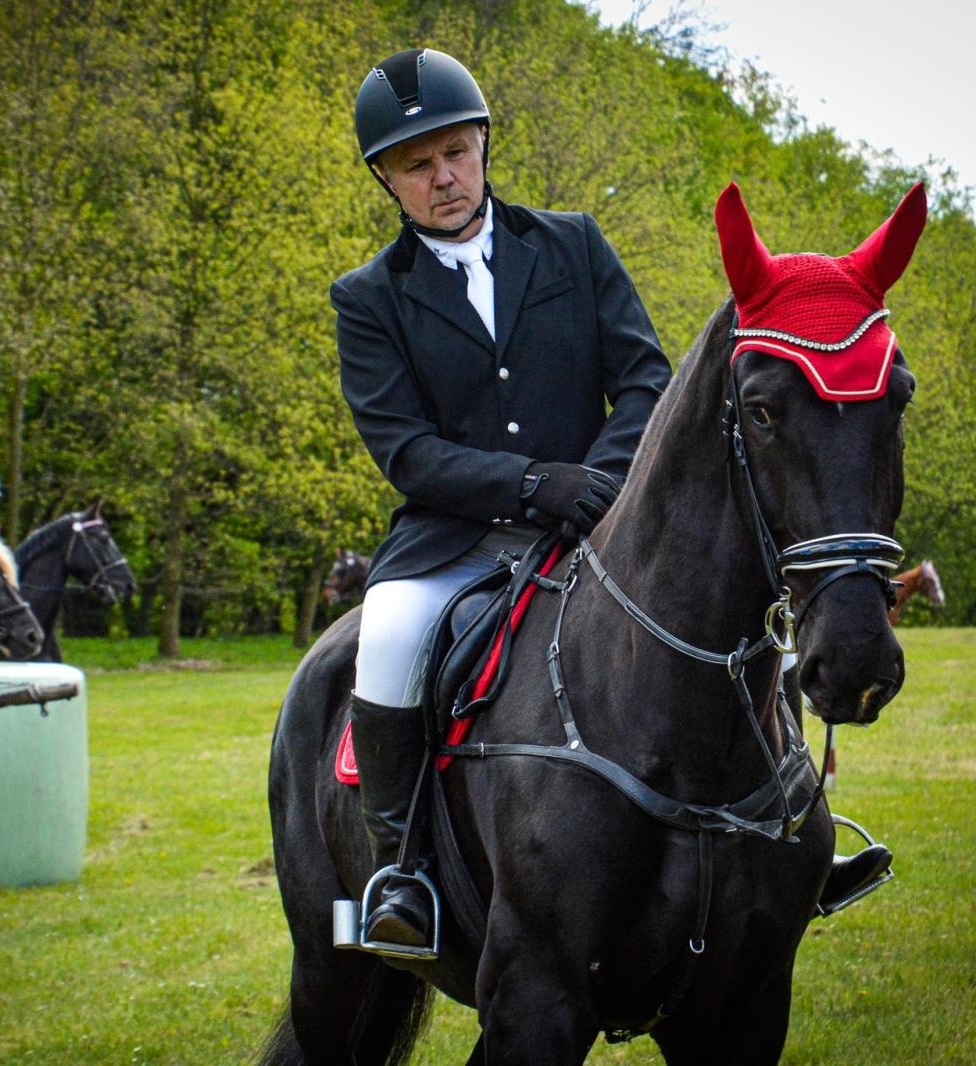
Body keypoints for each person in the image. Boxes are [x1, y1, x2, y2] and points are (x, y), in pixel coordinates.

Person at [335, 48, 672, 949]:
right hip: (453, 542)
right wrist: (529, 484)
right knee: (390, 636)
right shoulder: (368, 298)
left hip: (600, 518)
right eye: (416, 164)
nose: (442, 177)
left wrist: (596, 482)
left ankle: (786, 824)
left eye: (454, 151)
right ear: (388, 181)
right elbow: (406, 450)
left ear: (483, 143)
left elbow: (645, 379)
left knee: (715, 590)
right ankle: (401, 872)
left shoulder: (575, 243)